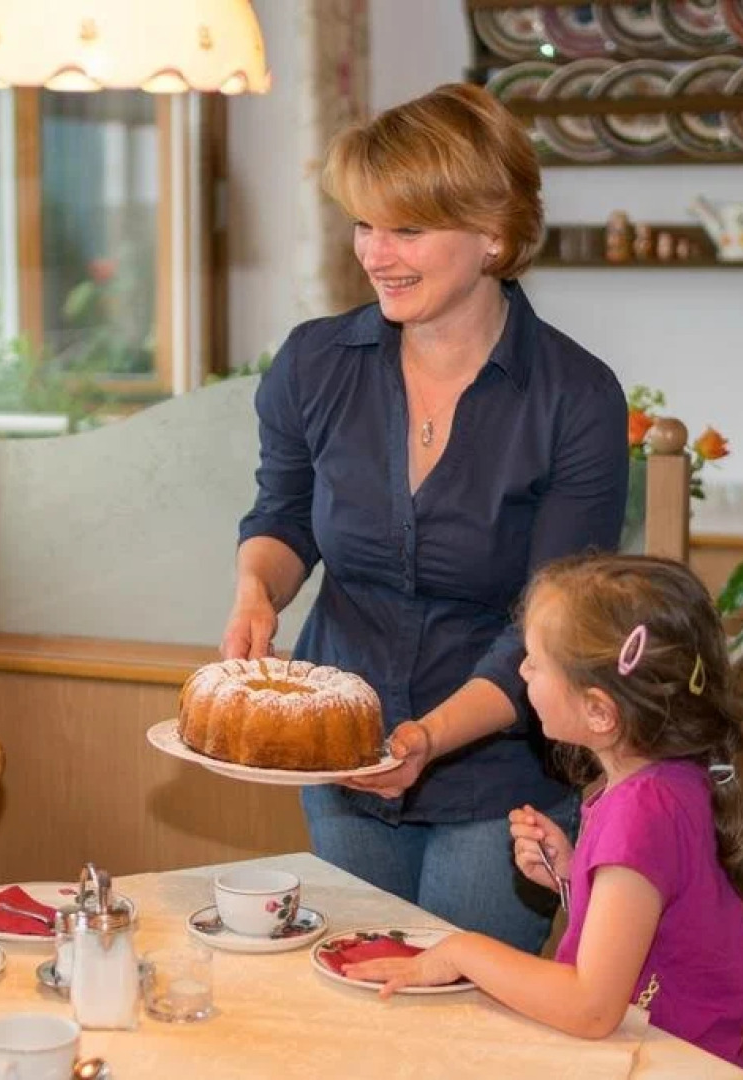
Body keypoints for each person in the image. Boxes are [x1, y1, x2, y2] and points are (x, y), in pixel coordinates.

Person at [224, 82, 629, 953]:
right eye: (365, 224)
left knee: (463, 1021)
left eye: (406, 229)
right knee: (357, 995)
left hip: (500, 770)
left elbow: (550, 623)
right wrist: (258, 589)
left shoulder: (574, 398)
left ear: (493, 233)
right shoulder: (314, 363)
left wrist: (426, 738)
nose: (376, 253)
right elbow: (284, 513)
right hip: (342, 751)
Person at [353, 554, 743, 1068]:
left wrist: (463, 951)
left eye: (535, 660)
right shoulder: (670, 781)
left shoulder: (642, 810)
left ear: (599, 710)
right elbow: (655, 929)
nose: (522, 671)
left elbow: (592, 1007)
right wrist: (578, 877)